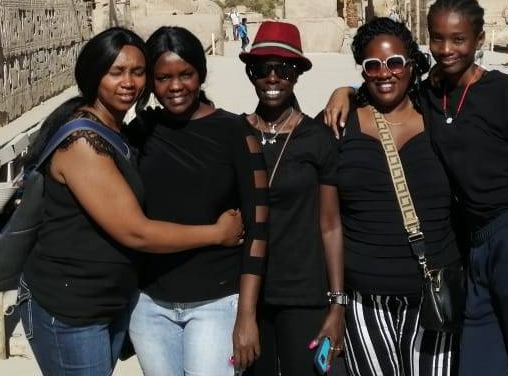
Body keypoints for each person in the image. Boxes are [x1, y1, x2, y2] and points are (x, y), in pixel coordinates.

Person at [325, 0, 508, 376]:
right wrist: (345, 91)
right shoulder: (430, 94)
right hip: (474, 247)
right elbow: (384, 83)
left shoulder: (505, 92)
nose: (447, 49)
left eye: (458, 39)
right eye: (437, 39)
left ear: (479, 39)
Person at [20, 27, 245, 376]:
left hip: (107, 301)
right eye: (116, 72)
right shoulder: (83, 142)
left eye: (138, 72)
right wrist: (217, 234)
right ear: (94, 75)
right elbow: (135, 232)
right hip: (70, 307)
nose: (128, 82)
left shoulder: (121, 130)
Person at [127, 26, 269, 376]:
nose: (175, 86)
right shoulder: (142, 131)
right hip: (150, 305)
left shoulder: (235, 132)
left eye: (186, 74)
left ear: (201, 74)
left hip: (216, 304)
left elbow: (258, 229)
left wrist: (246, 315)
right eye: (163, 78)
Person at [336, 17, 461, 376]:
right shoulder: (341, 123)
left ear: (411, 65)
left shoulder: (439, 117)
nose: (384, 73)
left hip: (433, 293)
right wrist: (343, 92)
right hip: (364, 299)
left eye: (394, 62)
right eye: (372, 65)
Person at [239, 21, 345, 376]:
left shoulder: (317, 138)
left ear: (297, 74)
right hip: (247, 293)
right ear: (251, 74)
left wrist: (337, 304)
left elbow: (330, 225)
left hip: (303, 292)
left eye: (283, 69)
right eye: (262, 69)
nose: (273, 78)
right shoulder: (234, 133)